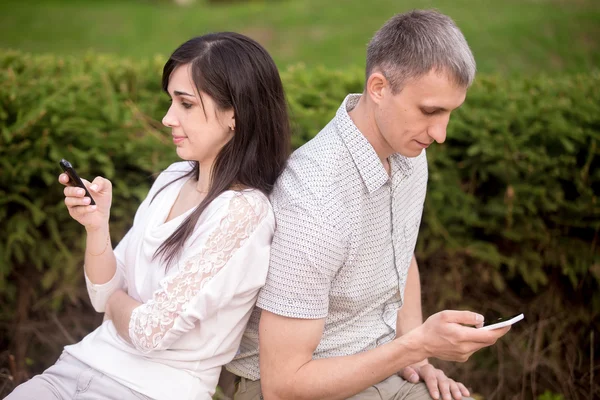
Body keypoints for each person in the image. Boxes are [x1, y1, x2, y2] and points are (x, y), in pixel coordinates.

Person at [224, 10, 511, 400]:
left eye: (449, 113)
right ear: (378, 87)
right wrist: (417, 346)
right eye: (430, 111)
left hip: (383, 366)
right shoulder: (313, 199)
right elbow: (283, 384)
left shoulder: (409, 152)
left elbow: (400, 252)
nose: (440, 134)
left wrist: (418, 357)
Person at [6, 32, 290, 400]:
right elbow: (102, 294)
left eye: (185, 104)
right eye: (171, 101)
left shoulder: (242, 213)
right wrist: (97, 227)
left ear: (234, 113)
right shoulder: (173, 178)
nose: (167, 117)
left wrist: (118, 304)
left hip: (149, 390)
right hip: (77, 367)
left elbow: (149, 331)